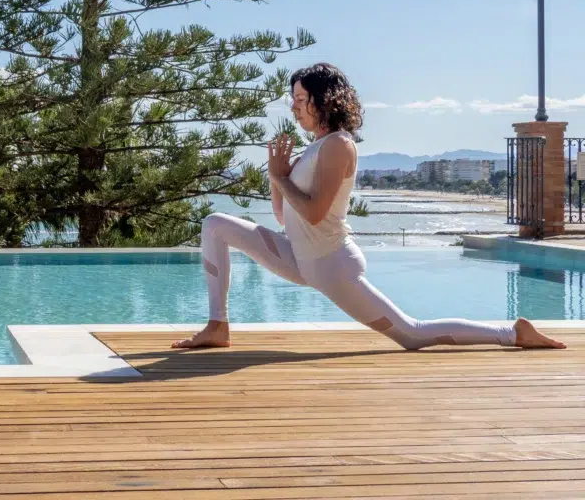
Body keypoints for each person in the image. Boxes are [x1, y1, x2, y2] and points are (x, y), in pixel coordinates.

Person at [174, 63, 566, 352]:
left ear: (321, 100)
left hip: (331, 265)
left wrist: (280, 178)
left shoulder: (339, 145)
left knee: (412, 334)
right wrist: (279, 177)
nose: (293, 108)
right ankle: (217, 326)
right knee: (215, 224)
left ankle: (512, 333)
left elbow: (313, 214)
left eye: (299, 99)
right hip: (299, 255)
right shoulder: (315, 147)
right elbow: (286, 218)